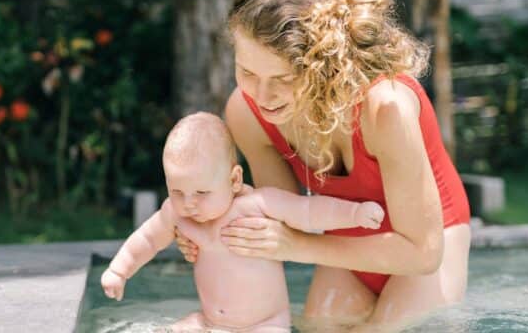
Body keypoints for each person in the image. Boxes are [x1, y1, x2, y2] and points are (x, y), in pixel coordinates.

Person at [175, 0, 472, 330]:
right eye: (247, 72)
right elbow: (279, 217)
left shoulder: (386, 108)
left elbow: (423, 252)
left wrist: (297, 247)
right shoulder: (246, 113)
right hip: (346, 242)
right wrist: (208, 227)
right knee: (319, 326)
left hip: (428, 243)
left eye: (284, 79)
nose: (263, 95)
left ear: (322, 65)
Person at [100, 112, 385, 332]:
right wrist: (119, 270)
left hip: (266, 323)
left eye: (201, 193)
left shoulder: (258, 206)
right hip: (211, 322)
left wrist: (354, 214)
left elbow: (309, 210)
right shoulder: (177, 215)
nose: (189, 203)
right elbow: (147, 239)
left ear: (234, 180)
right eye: (177, 191)